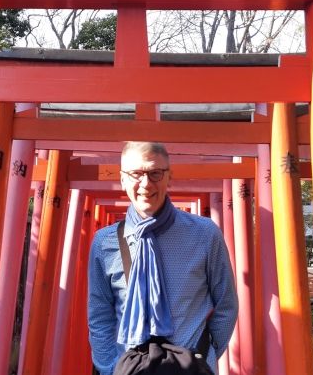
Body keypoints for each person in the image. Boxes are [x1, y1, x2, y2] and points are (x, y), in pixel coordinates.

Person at [87, 142, 239, 375]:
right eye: (136, 174)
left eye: (155, 173)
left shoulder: (205, 234)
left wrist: (204, 357)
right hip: (129, 368)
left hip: (189, 365)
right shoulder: (104, 241)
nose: (146, 184)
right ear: (123, 178)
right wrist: (110, 367)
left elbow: (226, 303)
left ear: (169, 177)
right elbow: (99, 313)